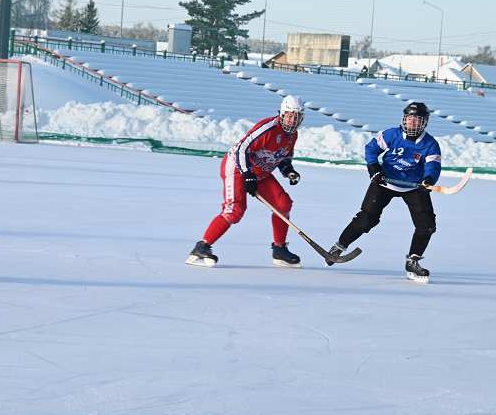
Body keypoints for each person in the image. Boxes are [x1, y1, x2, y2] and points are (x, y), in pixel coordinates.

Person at [327, 102, 442, 283]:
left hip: (412, 186)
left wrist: (428, 180)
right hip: (385, 181)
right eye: (410, 119)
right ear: (404, 119)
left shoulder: (430, 144)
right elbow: (371, 149)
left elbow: (433, 165)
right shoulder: (391, 134)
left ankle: (413, 261)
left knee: (427, 224)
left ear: (424, 123)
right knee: (366, 220)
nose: (412, 124)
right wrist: (374, 169)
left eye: (417, 121)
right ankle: (338, 247)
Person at [188, 96, 305, 268]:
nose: (293, 120)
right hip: (236, 168)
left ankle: (279, 249)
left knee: (283, 204)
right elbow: (242, 149)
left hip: (260, 173)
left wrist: (289, 171)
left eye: (297, 116)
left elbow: (284, 157)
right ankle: (201, 247)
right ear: (282, 113)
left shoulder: (292, 135)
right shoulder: (267, 129)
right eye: (290, 115)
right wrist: (248, 175)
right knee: (235, 209)